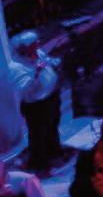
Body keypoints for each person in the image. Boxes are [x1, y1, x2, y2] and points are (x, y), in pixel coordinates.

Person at [9, 31, 67, 171]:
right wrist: (37, 72)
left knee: (53, 126)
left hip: (51, 97)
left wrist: (54, 62)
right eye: (34, 45)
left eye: (36, 43)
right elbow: (24, 89)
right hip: (36, 106)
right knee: (38, 134)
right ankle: (39, 163)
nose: (38, 46)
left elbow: (47, 61)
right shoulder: (15, 67)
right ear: (24, 49)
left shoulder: (38, 53)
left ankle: (54, 152)